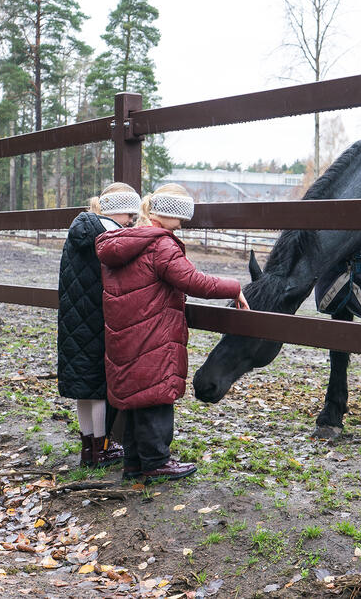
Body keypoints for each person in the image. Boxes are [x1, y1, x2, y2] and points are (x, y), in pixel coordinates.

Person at [95, 183, 249, 483]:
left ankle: (134, 463)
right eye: (178, 217)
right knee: (155, 397)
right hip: (153, 335)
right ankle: (156, 463)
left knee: (137, 398)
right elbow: (193, 281)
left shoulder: (121, 241)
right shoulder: (160, 244)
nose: (182, 224)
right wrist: (234, 286)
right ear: (162, 216)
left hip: (126, 336)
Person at [57, 182, 141, 468]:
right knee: (99, 387)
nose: (132, 220)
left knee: (83, 387)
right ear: (119, 211)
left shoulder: (78, 229)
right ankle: (103, 448)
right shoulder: (110, 235)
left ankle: (87, 449)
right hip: (99, 318)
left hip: (72, 319)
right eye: (130, 214)